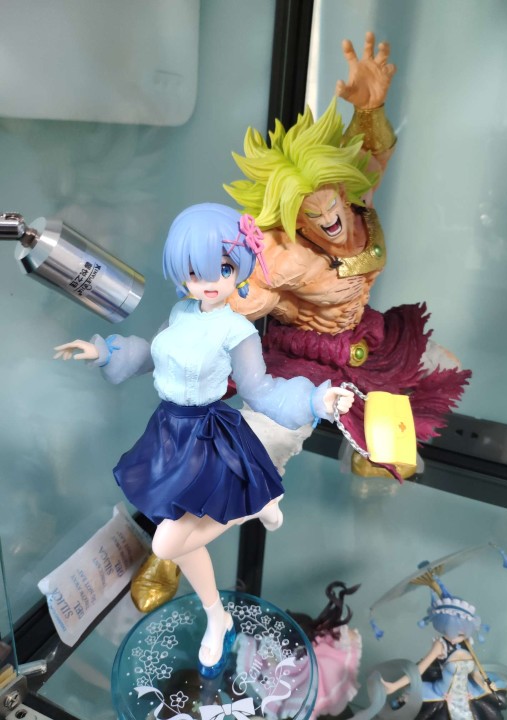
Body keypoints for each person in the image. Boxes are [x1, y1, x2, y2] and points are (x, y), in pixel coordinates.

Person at [54, 203, 353, 678]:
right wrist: (103, 351)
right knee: (177, 536)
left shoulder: (237, 329)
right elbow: (150, 356)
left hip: (207, 438)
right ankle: (218, 616)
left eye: (225, 268)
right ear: (182, 273)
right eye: (196, 271)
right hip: (168, 434)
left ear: (240, 268)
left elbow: (261, 390)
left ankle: (251, 507)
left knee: (166, 544)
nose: (210, 281)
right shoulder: (180, 312)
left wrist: (318, 400)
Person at [225, 31, 471, 479]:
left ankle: (374, 458)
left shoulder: (357, 203)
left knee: (440, 367)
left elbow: (373, 152)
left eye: (330, 202)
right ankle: (223, 498)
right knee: (267, 438)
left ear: (341, 188)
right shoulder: (285, 253)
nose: (327, 216)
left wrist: (370, 109)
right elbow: (243, 296)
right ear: (295, 220)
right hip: (305, 354)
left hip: (364, 335)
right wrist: (211, 298)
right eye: (311, 212)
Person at [379, 591, 507, 719]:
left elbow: (475, 672)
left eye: (463, 631)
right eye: (454, 629)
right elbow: (419, 670)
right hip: (443, 693)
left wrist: (484, 685)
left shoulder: (468, 643)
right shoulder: (441, 645)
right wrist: (395, 686)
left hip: (467, 693)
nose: (459, 634)